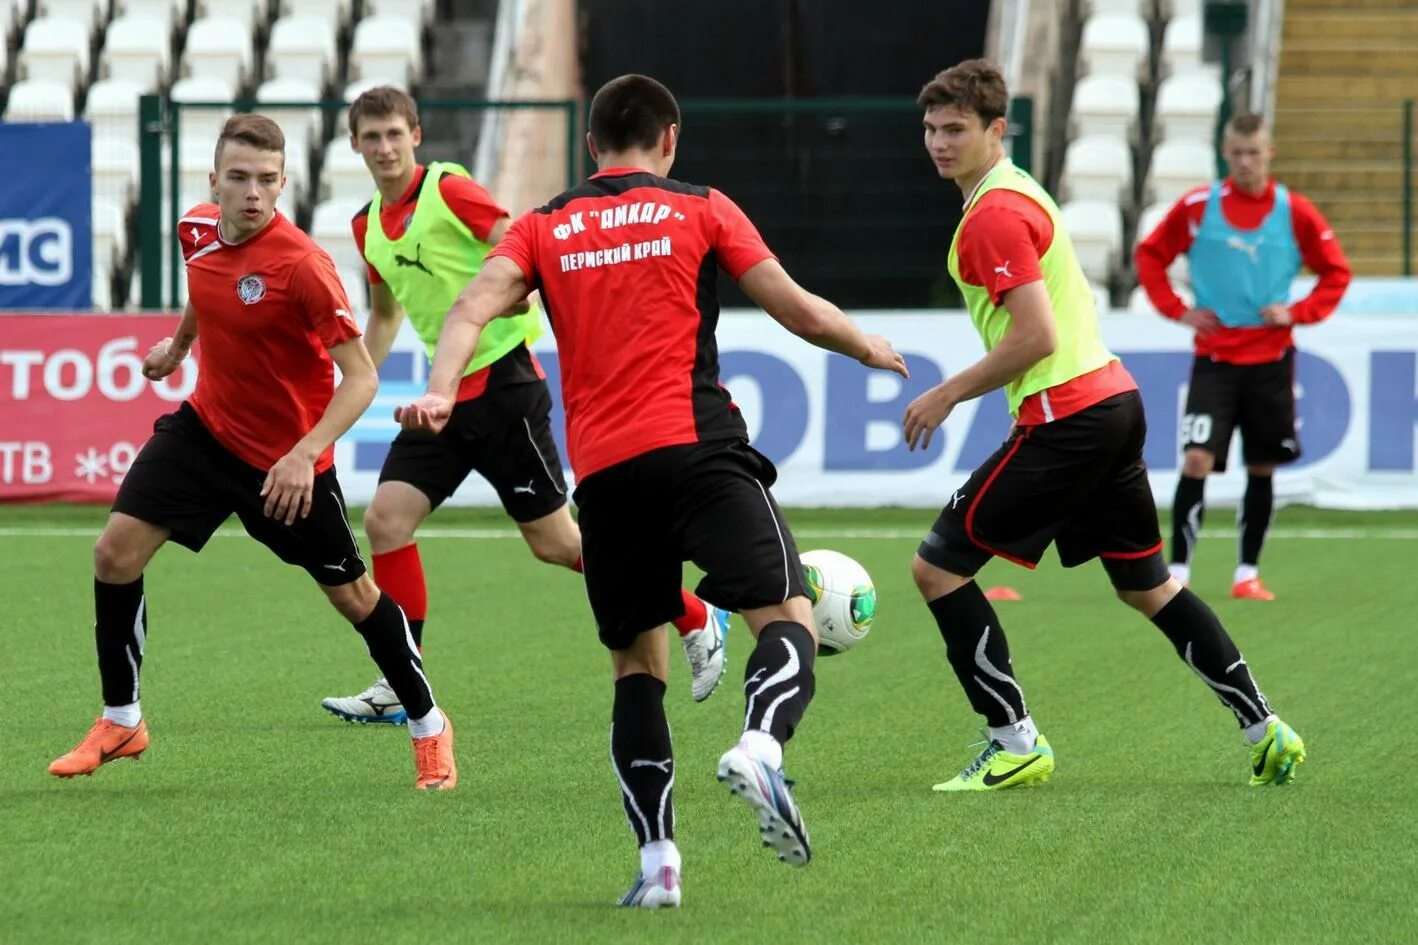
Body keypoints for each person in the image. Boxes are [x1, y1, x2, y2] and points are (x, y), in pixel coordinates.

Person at [398, 74, 907, 907]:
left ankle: (658, 865)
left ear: (590, 146)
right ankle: (762, 748)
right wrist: (865, 346)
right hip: (699, 449)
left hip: (604, 475)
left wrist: (446, 387)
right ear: (669, 139)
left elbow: (470, 305)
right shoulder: (701, 205)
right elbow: (796, 310)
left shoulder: (543, 225)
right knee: (785, 615)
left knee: (638, 666)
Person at [903, 60, 1305, 794]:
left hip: (1069, 416)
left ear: (996, 131)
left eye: (955, 128)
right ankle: (1265, 726)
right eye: (930, 128)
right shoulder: (1016, 192)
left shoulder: (993, 213)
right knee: (1147, 586)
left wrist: (946, 395)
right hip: (1113, 405)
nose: (938, 141)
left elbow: (1035, 337)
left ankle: (1012, 740)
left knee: (936, 567)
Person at [47, 115, 457, 791]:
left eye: (267, 180)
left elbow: (362, 377)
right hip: (205, 434)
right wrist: (178, 348)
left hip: (287, 466)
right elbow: (204, 291)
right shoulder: (196, 229)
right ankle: (121, 718)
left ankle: (429, 723)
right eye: (238, 178)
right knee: (113, 553)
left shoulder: (302, 266)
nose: (253, 193)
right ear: (214, 181)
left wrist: (304, 453)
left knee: (355, 597)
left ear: (284, 182)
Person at [320, 87, 730, 723]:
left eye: (395, 134)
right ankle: (402, 682)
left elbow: (512, 235)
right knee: (386, 522)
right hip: (444, 399)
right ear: (354, 146)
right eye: (371, 137)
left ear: (417, 137)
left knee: (559, 543)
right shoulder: (365, 225)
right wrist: (356, 380)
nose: (384, 147)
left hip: (505, 388)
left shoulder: (447, 189)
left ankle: (696, 614)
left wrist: (510, 290)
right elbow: (383, 313)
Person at [1135, 112, 1351, 600]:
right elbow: (1149, 256)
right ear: (1225, 154)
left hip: (1271, 361)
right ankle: (1179, 571)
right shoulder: (1196, 207)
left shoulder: (1293, 211)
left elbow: (1336, 272)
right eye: (1237, 153)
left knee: (1262, 466)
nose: (1246, 162)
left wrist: (1297, 312)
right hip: (1214, 359)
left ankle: (1246, 573)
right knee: (1195, 460)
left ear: (1269, 153)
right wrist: (1177, 309)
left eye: (1254, 153)